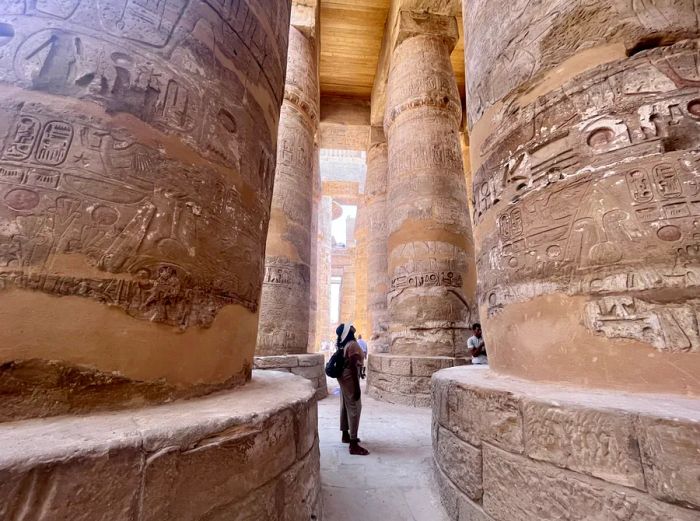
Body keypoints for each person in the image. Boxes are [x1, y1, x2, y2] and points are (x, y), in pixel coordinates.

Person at [336, 322, 370, 455]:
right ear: (348, 331)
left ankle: (345, 434)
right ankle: (353, 444)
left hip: (342, 376)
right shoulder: (353, 344)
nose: (353, 327)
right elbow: (352, 366)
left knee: (345, 404)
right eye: (350, 327)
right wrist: (357, 388)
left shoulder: (344, 343)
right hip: (350, 377)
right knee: (355, 406)